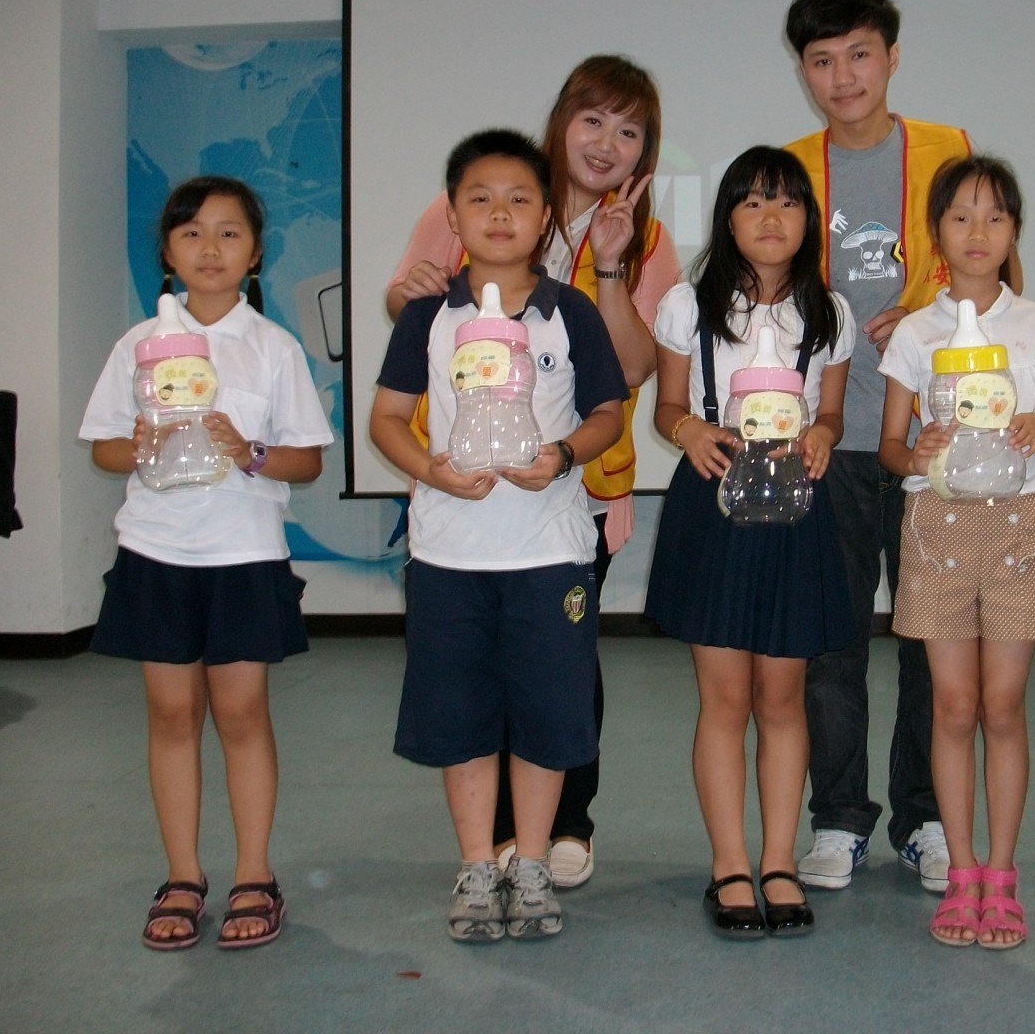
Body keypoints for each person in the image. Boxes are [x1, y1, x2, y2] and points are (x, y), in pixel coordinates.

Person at [385, 55, 681, 888]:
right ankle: (494, 845)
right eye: (593, 120)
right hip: (463, 487)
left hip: (576, 489)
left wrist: (612, 267)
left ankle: (564, 826)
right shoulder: (483, 196)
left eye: (630, 131)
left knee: (561, 664)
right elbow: (412, 315)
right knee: (479, 668)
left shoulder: (649, 240)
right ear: (562, 121)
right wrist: (409, 292)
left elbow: (632, 370)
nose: (607, 143)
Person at [782, 0, 1017, 892]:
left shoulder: (948, 149)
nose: (843, 78)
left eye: (860, 55)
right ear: (803, 70)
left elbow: (997, 273)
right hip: (825, 441)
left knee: (932, 645)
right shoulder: (791, 167)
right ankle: (839, 820)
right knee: (831, 642)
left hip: (938, 449)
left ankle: (924, 819)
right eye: (822, 60)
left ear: (892, 56)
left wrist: (924, 312)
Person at [370, 129, 627, 943]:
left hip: (550, 553)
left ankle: (533, 861)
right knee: (462, 714)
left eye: (519, 199)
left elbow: (608, 412)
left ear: (545, 215)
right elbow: (386, 418)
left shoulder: (569, 311)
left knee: (548, 713)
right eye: (479, 198)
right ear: (452, 215)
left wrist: (563, 457)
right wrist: (429, 469)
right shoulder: (427, 314)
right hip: (448, 555)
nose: (500, 213)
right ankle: (479, 864)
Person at [81, 176, 333, 951]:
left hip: (243, 555)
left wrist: (249, 452)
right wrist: (139, 446)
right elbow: (103, 449)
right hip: (156, 551)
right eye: (192, 233)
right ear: (167, 252)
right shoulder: (137, 346)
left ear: (255, 254)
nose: (210, 248)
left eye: (230, 233)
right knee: (170, 714)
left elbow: (306, 462)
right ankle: (183, 876)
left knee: (242, 713)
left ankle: (255, 874)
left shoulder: (273, 348)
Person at [645, 146, 855, 938]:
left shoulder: (829, 313)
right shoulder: (684, 305)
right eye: (754, 201)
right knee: (726, 699)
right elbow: (667, 407)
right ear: (727, 217)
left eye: (788, 202)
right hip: (714, 507)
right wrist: (689, 430)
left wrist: (824, 435)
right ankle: (730, 864)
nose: (772, 217)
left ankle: (778, 861)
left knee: (782, 698)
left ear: (809, 221)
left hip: (795, 509)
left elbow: (829, 413)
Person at [878, 157, 1035, 949]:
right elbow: (891, 449)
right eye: (960, 216)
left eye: (994, 217)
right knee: (953, 706)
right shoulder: (916, 332)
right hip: (937, 528)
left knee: (1002, 707)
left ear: (1014, 230)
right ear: (937, 232)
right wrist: (918, 449)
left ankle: (1002, 873)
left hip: (1020, 526)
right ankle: (961, 874)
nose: (977, 232)